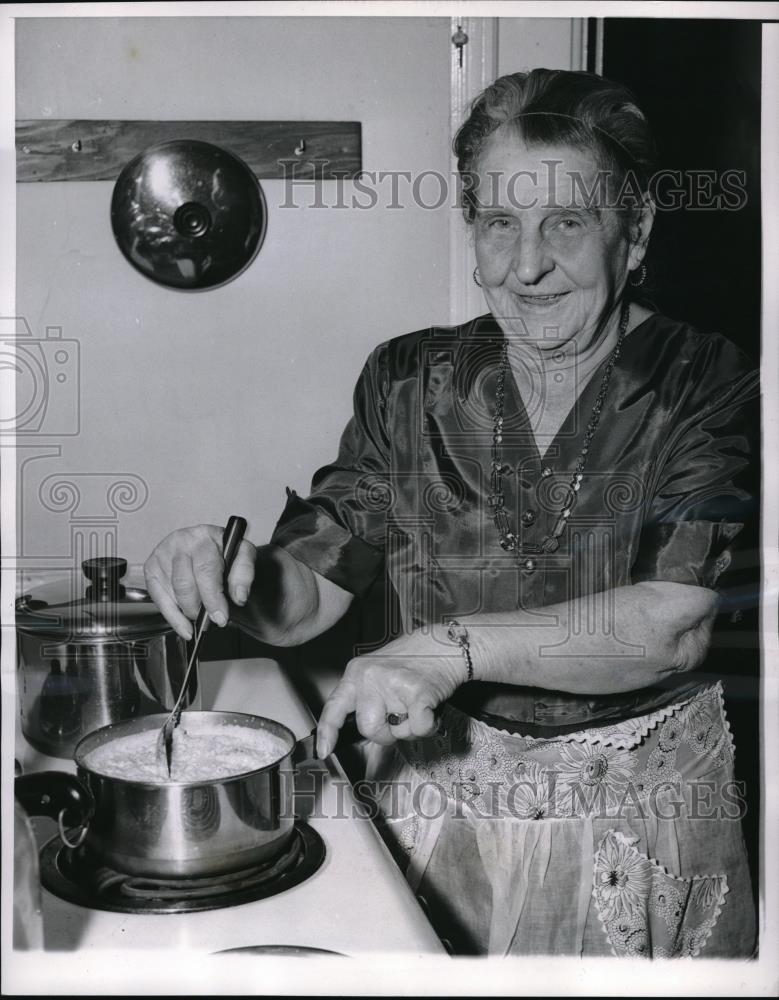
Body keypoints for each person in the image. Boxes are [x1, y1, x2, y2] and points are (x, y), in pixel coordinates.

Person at [145, 69, 759, 957]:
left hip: (632, 816)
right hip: (440, 798)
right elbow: (310, 591)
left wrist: (446, 646)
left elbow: (671, 626)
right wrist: (231, 572)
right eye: (498, 222)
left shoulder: (706, 380)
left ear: (634, 233)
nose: (525, 265)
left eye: (567, 223)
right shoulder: (407, 380)